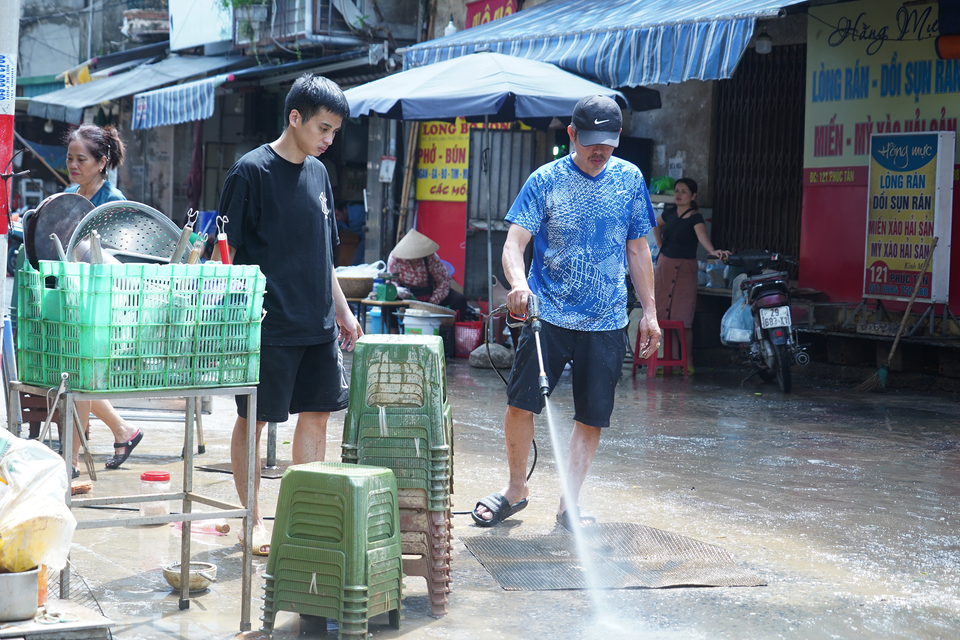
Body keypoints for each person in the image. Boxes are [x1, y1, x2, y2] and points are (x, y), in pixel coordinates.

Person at [471, 95, 662, 531]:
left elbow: (638, 249)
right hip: (548, 316)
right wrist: (519, 285)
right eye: (591, 141)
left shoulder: (630, 180)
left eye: (608, 143)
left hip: (607, 319)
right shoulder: (546, 180)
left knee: (591, 416)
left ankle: (568, 505)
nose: (599, 151)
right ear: (572, 135)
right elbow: (514, 243)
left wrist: (649, 313)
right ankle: (515, 489)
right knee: (522, 404)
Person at [219, 74, 362, 556]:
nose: (329, 139)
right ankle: (252, 519)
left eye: (335, 132)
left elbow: (324, 257)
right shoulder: (250, 172)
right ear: (294, 118)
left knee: (317, 416)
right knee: (254, 420)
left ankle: (301, 517)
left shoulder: (320, 174)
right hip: (266, 324)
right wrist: (230, 324)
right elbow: (226, 255)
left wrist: (342, 311)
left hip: (317, 323)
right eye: (323, 128)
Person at [62, 124, 143, 476]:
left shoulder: (113, 203)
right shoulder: (69, 195)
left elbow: (117, 260)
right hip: (71, 301)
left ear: (102, 162)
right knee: (76, 378)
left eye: (81, 159)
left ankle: (73, 461)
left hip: (102, 305)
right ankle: (124, 431)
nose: (73, 165)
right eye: (70, 158)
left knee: (79, 378)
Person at [652, 177, 730, 374]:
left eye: (684, 191)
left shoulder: (695, 217)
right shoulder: (669, 213)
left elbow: (703, 237)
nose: (678, 194)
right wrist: (660, 245)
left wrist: (714, 252)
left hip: (685, 270)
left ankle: (687, 362)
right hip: (665, 267)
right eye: (677, 191)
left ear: (693, 196)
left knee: (683, 319)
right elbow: (654, 224)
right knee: (664, 316)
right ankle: (668, 361)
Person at [386, 229, 470, 319]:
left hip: (431, 293)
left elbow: (444, 280)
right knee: (387, 301)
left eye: (419, 255)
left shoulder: (430, 257)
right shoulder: (395, 258)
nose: (416, 259)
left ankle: (455, 330)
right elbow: (391, 281)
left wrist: (433, 302)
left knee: (459, 299)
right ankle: (393, 330)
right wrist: (398, 290)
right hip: (407, 296)